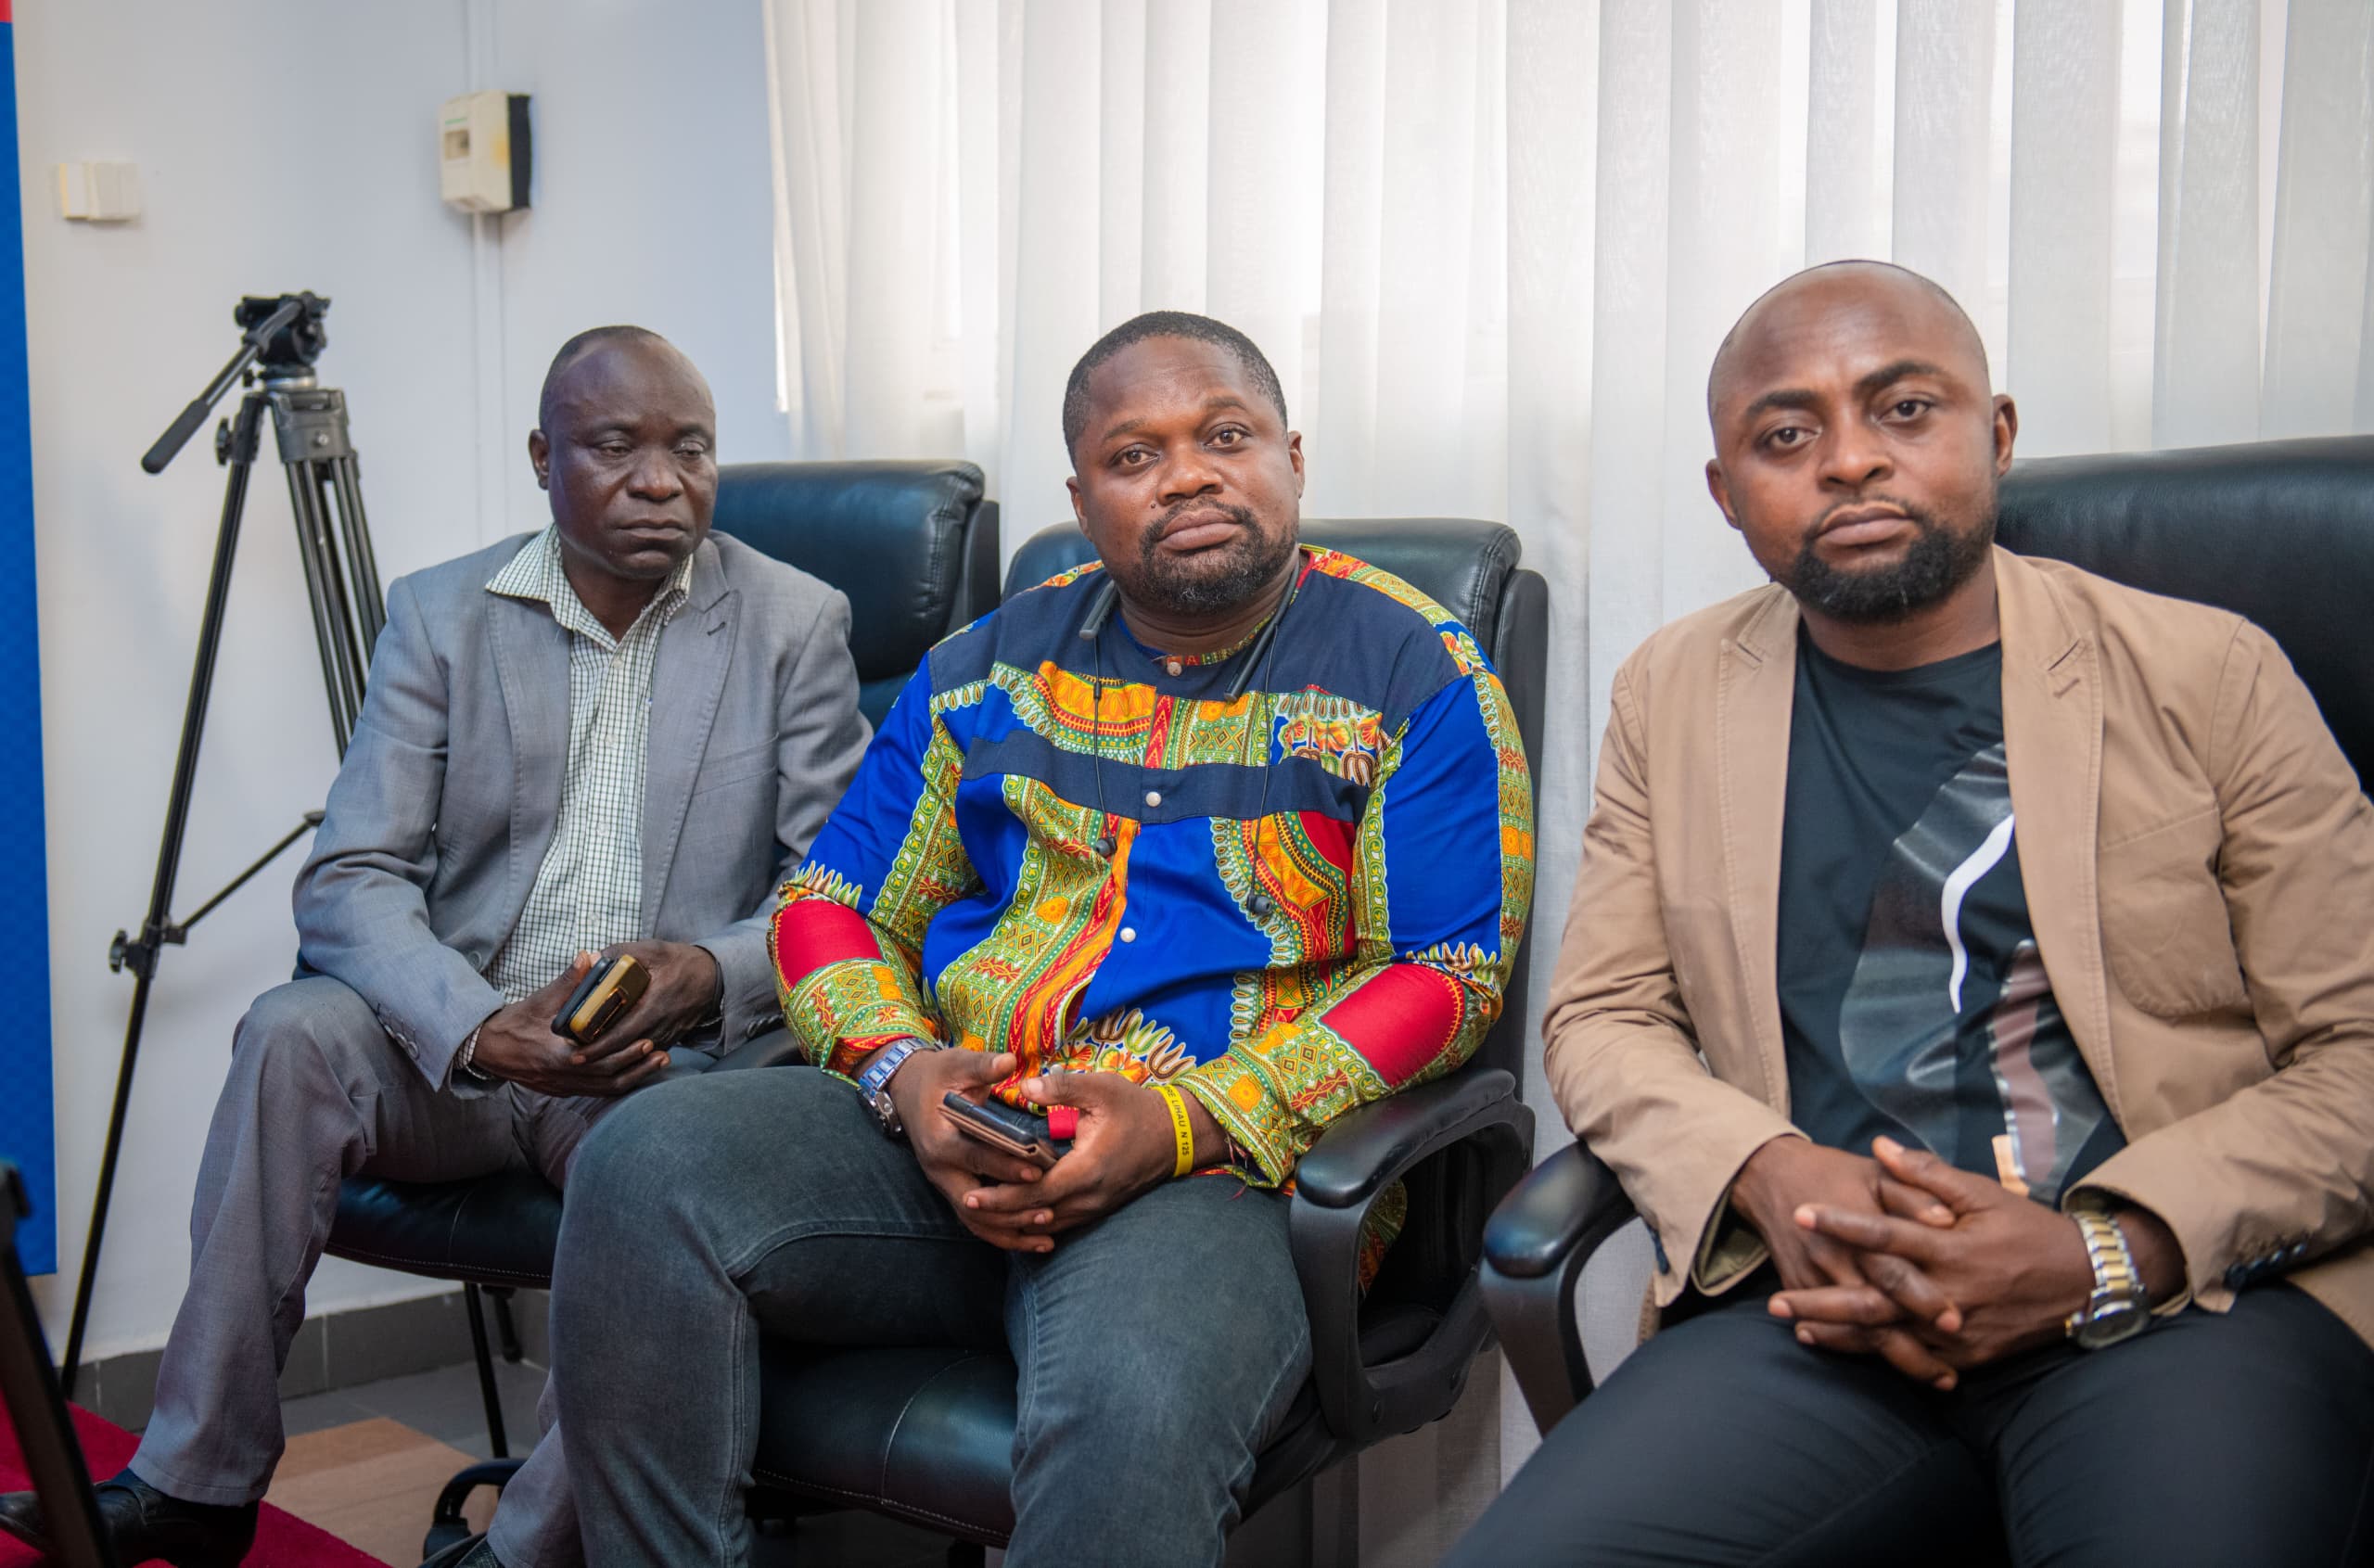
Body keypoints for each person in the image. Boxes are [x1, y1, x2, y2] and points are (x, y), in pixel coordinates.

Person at [548, 311, 1535, 1566]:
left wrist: (1177, 1123)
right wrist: (903, 1075)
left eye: (1224, 436)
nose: (1186, 475)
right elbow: (829, 902)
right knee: (641, 1165)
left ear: (1292, 456)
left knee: (1126, 1392)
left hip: (1226, 1176)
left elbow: (1447, 976)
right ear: (1082, 498)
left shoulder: (1414, 671)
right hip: (963, 1135)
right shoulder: (985, 668)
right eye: (1134, 456)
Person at [1447, 260, 2374, 1566]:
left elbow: (2361, 1055)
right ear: (1727, 494)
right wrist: (1773, 1179)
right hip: (1824, 1316)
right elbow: (1605, 1015)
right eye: (1786, 434)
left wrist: (2111, 1250)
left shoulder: (2207, 673)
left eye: (1902, 411)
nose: (1847, 463)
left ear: (1994, 436)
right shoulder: (1676, 691)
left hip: (2180, 1304)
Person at [0, 326, 869, 1568]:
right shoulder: (443, 616)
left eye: (691, 448)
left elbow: (828, 895)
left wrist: (699, 978)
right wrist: (474, 1025)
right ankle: (195, 1481)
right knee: (290, 1031)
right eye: (616, 446)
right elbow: (351, 877)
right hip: (456, 1048)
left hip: (650, 1068)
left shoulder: (793, 624)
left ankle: (518, 1551)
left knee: (674, 1173)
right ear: (543, 457)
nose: (661, 479)